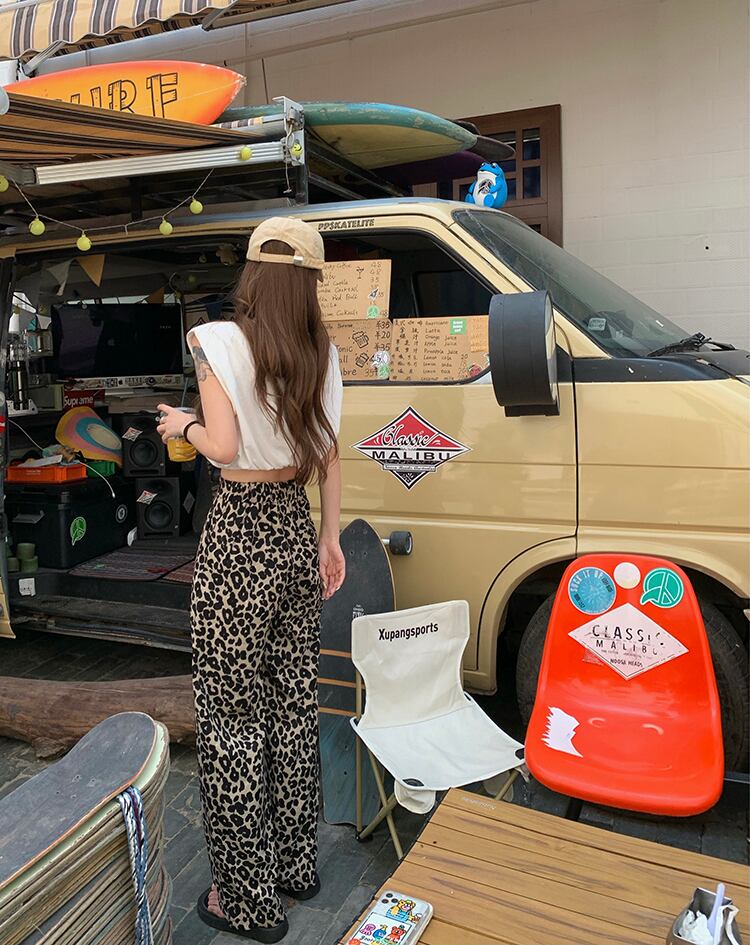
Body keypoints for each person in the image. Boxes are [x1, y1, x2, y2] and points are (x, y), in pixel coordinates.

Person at [157, 217, 345, 943]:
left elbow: (224, 444)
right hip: (295, 525)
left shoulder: (214, 340)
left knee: (231, 718)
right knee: (293, 703)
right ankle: (295, 868)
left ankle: (247, 902)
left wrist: (181, 425)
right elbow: (329, 453)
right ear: (310, 283)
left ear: (253, 275)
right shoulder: (322, 351)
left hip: (239, 533)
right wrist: (330, 537)